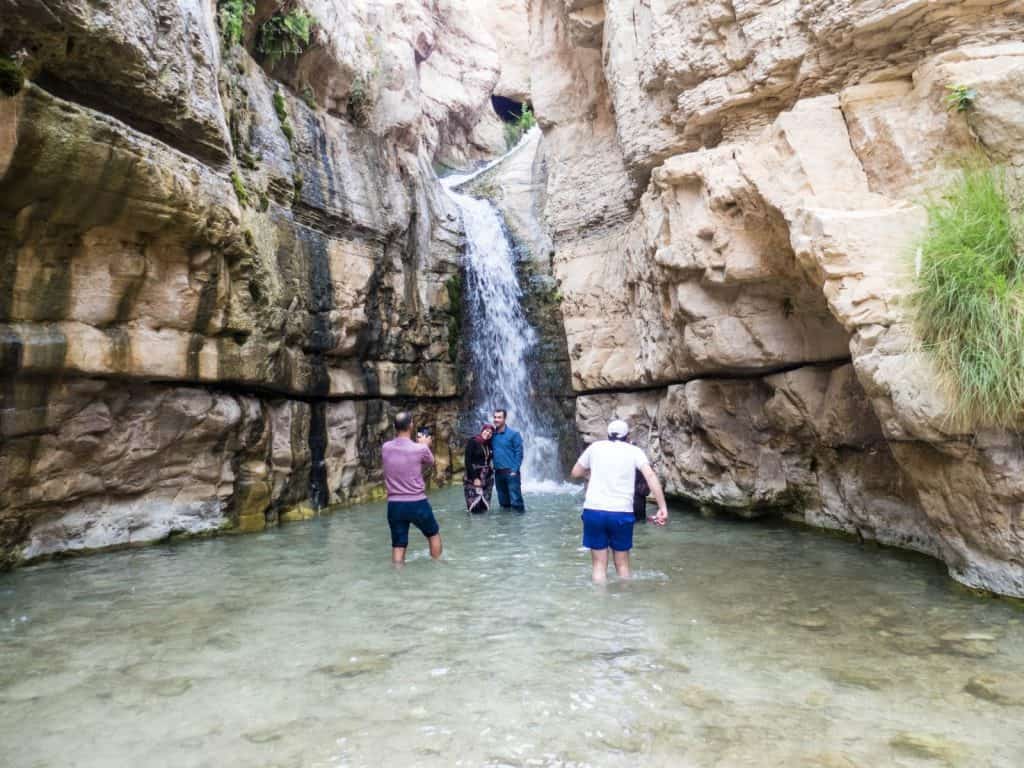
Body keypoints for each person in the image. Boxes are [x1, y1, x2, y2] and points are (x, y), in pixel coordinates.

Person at [570, 419, 668, 583]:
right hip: (621, 513)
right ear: (627, 436)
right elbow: (650, 476)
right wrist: (662, 507)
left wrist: (592, 471)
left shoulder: (595, 447)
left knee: (599, 566)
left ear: (608, 435)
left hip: (594, 510)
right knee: (622, 565)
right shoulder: (634, 451)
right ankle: (624, 602)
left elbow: (575, 472)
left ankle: (600, 603)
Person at [381, 411, 442, 564]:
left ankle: (398, 577)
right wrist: (425, 446)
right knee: (433, 534)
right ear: (411, 426)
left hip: (394, 505)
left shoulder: (386, 447)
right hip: (417, 503)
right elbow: (431, 461)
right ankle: (438, 566)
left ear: (395, 427)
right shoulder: (420, 449)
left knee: (398, 545)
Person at [490, 408, 525, 511]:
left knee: (516, 502)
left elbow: (519, 453)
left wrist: (515, 470)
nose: (496, 419)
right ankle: (506, 526)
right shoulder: (492, 435)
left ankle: (519, 524)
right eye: (495, 417)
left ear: (505, 419)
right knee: (503, 503)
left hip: (511, 473)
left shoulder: (514, 434)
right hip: (498, 474)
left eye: (499, 417)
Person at [464, 423, 495, 513]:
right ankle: (474, 526)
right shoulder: (473, 441)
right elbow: (467, 461)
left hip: (486, 478)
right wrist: (475, 478)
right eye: (486, 431)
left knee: (484, 506)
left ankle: (485, 526)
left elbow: (488, 461)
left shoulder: (488, 445)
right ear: (482, 430)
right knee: (474, 505)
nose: (488, 433)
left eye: (490, 433)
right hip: (474, 476)